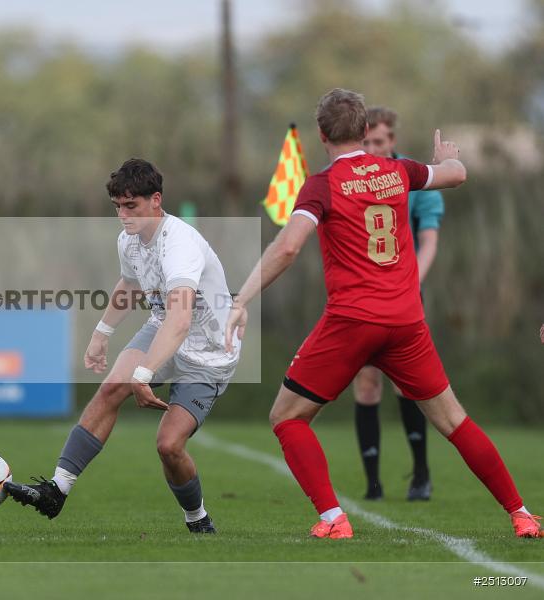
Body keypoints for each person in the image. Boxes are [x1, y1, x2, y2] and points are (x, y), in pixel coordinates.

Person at [225, 89, 541, 539]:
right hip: (407, 322)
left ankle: (334, 520)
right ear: (364, 130)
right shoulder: (396, 171)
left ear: (321, 134)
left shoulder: (321, 184)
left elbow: (290, 245)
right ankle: (522, 513)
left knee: (287, 417)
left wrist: (241, 298)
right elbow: (456, 174)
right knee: (454, 420)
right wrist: (445, 157)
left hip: (353, 320)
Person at [4, 158, 240, 533]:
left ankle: (197, 519)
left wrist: (143, 374)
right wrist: (101, 333)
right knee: (112, 386)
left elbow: (181, 320)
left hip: (208, 350)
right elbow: (130, 285)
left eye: (131, 206)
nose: (124, 215)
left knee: (168, 445)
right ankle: (56, 491)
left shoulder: (180, 243)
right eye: (118, 207)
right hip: (163, 325)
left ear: (156, 200)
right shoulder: (128, 240)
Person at [353, 106, 445, 501]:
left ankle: (421, 472)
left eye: (379, 141)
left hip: (405, 293)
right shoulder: (351, 180)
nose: (373, 148)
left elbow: (429, 240)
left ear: (392, 141)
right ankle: (373, 483)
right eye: (366, 142)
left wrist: (410, 282)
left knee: (407, 385)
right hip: (362, 296)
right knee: (367, 382)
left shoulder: (411, 178)